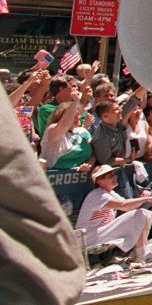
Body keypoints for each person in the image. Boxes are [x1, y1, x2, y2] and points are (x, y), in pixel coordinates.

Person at [0, 87, 85, 304]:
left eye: (79, 116)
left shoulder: (78, 134)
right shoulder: (54, 130)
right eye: (74, 116)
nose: (77, 119)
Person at [75, 164, 152, 261]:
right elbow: (124, 205)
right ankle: (142, 254)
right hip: (87, 236)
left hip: (98, 233)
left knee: (141, 215)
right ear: (100, 181)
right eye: (110, 176)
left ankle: (141, 252)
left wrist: (142, 198)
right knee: (141, 214)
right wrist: (146, 199)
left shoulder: (111, 193)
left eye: (114, 175)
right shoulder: (98, 195)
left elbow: (129, 208)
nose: (115, 177)